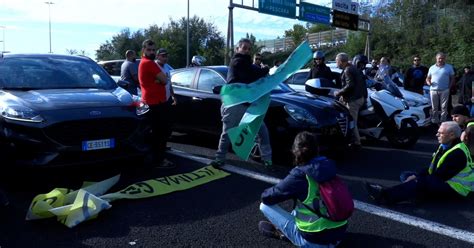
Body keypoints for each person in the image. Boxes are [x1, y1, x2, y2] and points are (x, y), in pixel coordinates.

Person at [258, 131, 348, 247]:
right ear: (317, 149)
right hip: (339, 234)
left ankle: (286, 233)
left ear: (295, 151)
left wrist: (285, 183)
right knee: (304, 204)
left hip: (315, 242)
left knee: (264, 206)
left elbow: (267, 197)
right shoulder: (329, 166)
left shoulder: (299, 175)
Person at [366, 121, 474, 205]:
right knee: (406, 174)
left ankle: (385, 196)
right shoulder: (446, 145)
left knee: (419, 182)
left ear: (451, 135)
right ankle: (416, 192)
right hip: (444, 180)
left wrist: (417, 179)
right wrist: (415, 176)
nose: (436, 134)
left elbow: (438, 176)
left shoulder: (457, 153)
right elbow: (432, 168)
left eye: (440, 133)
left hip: (457, 189)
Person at [208, 38, 273, 169]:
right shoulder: (237, 62)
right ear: (238, 49)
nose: (247, 51)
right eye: (244, 48)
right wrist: (265, 69)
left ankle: (267, 160)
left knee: (262, 131)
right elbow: (251, 75)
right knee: (227, 132)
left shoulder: (248, 64)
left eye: (249, 49)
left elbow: (254, 75)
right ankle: (219, 158)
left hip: (249, 104)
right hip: (235, 104)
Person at [138, 39, 175, 169]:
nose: (152, 52)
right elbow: (165, 80)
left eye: (153, 49)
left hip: (154, 102)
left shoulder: (146, 63)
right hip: (155, 103)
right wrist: (159, 80)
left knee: (156, 133)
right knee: (160, 133)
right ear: (143, 50)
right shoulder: (149, 63)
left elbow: (164, 81)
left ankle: (155, 158)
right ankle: (159, 160)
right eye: (149, 49)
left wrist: (158, 80)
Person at [334, 53, 366, 150]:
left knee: (352, 122)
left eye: (337, 61)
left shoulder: (348, 70)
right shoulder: (352, 68)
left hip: (353, 100)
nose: (336, 63)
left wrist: (338, 93)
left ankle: (357, 142)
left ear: (342, 61)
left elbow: (350, 85)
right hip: (358, 97)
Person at [426, 52, 455, 125]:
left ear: (445, 59)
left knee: (444, 107)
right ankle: (435, 120)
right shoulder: (432, 67)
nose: (441, 60)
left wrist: (449, 87)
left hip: (445, 89)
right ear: (436, 58)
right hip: (433, 90)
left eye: (442, 58)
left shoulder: (449, 67)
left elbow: (452, 78)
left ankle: (443, 120)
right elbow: (428, 78)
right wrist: (428, 82)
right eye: (439, 58)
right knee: (434, 107)